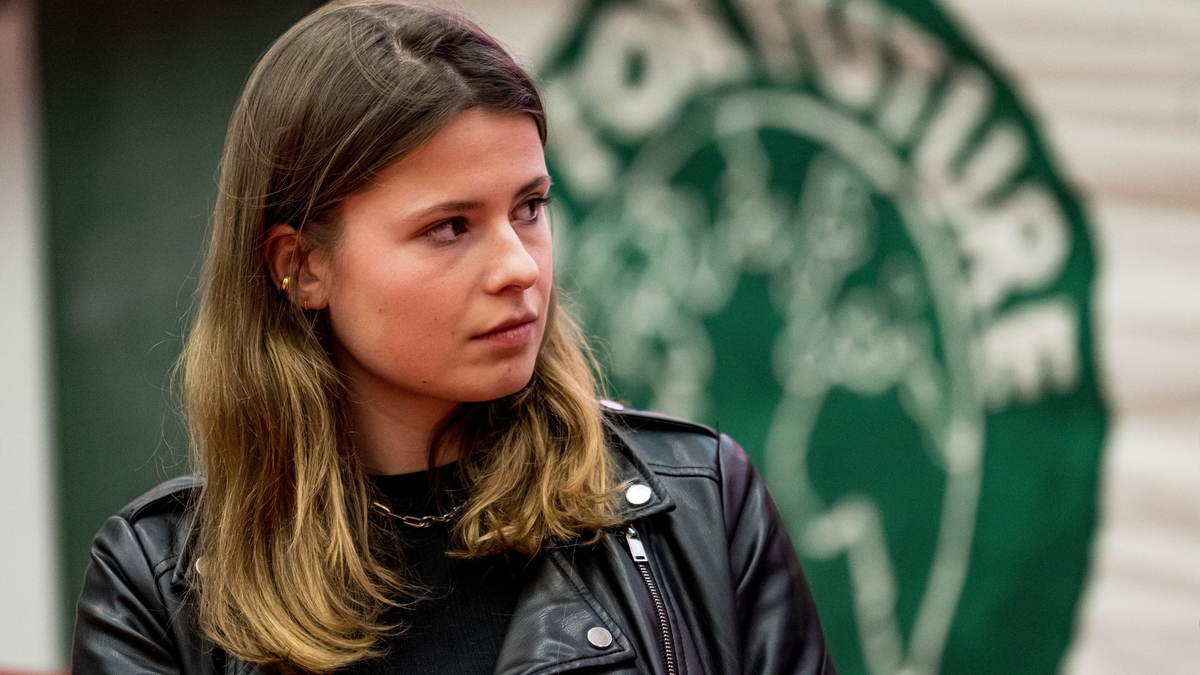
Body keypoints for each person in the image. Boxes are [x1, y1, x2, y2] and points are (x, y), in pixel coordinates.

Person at [71, 2, 835, 673]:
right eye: (449, 227)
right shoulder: (160, 583)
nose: (517, 266)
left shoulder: (696, 505)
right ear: (302, 266)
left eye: (530, 207)